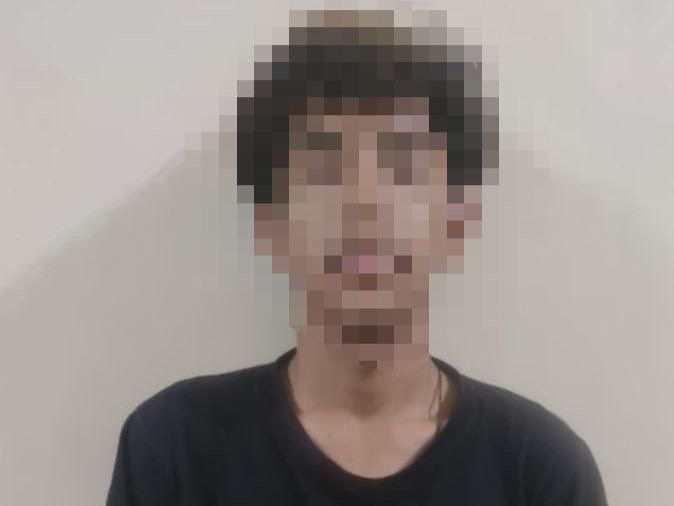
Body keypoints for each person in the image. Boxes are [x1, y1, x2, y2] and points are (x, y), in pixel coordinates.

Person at [106, 9, 608, 505]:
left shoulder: (540, 472)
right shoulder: (176, 449)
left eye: (403, 164)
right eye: (324, 165)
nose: (365, 200)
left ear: (456, 222)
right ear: (270, 222)